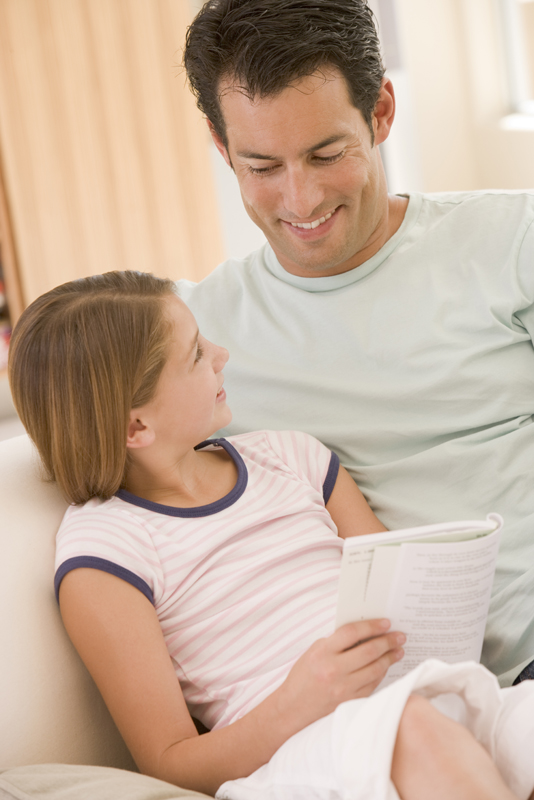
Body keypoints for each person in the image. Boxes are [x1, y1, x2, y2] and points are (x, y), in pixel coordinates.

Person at [7, 270, 534, 800]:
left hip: (428, 694)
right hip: (299, 749)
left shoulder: (292, 457)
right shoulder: (106, 550)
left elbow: (397, 587)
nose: (221, 355)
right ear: (135, 428)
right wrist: (299, 701)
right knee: (412, 727)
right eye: (194, 355)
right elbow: (169, 765)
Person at [179, 0, 534, 688]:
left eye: (326, 153)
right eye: (261, 166)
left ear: (381, 114)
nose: (301, 198)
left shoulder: (511, 243)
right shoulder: (194, 339)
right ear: (222, 149)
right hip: (390, 699)